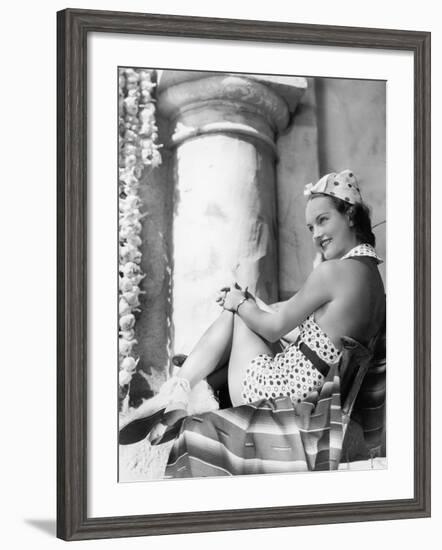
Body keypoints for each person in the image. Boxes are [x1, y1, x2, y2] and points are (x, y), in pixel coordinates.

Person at [119, 169, 385, 475]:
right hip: (311, 391)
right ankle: (186, 388)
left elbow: (273, 328)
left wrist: (239, 303)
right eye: (310, 227)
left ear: (350, 216)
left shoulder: (333, 272)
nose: (316, 235)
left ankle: (178, 391)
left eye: (323, 220)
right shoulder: (371, 282)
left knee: (237, 316)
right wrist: (251, 303)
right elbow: (306, 332)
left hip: (281, 392)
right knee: (249, 309)